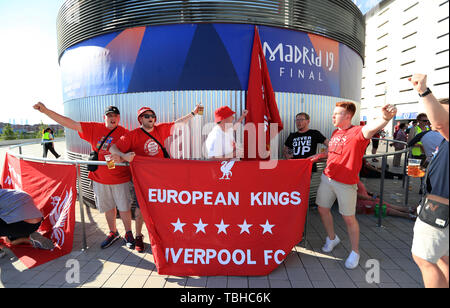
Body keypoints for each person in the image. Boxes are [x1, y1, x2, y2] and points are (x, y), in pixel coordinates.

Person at [33, 102, 135, 250]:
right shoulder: (94, 128)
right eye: (109, 115)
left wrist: (122, 157)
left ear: (119, 118)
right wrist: (46, 111)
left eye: (115, 116)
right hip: (100, 179)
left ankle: (128, 234)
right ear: (104, 117)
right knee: (107, 207)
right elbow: (70, 123)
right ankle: (113, 233)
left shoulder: (125, 132)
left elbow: (132, 154)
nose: (112, 118)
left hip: (120, 179)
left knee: (124, 207)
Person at [310, 101, 397, 269]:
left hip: (346, 184)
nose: (333, 116)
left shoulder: (357, 132)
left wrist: (385, 118)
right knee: (322, 208)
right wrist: (319, 156)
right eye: (333, 113)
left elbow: (371, 128)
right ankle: (332, 238)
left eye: (337, 113)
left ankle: (355, 251)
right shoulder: (336, 132)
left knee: (348, 218)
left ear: (348, 116)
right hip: (327, 178)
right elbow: (333, 151)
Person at [109, 105, 202, 252]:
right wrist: (125, 156)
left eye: (152, 115)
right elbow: (112, 148)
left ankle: (164, 237)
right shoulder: (133, 135)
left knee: (162, 209)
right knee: (140, 211)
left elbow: (179, 123)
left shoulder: (160, 129)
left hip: (161, 179)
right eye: (146, 116)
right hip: (141, 181)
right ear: (140, 119)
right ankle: (139, 236)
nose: (150, 118)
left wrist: (193, 113)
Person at [409, 74, 449, 288]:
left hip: (439, 212)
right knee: (444, 259)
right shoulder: (442, 141)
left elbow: (441, 122)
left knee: (424, 260)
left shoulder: (445, 132)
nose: (435, 121)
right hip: (439, 210)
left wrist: (423, 90)